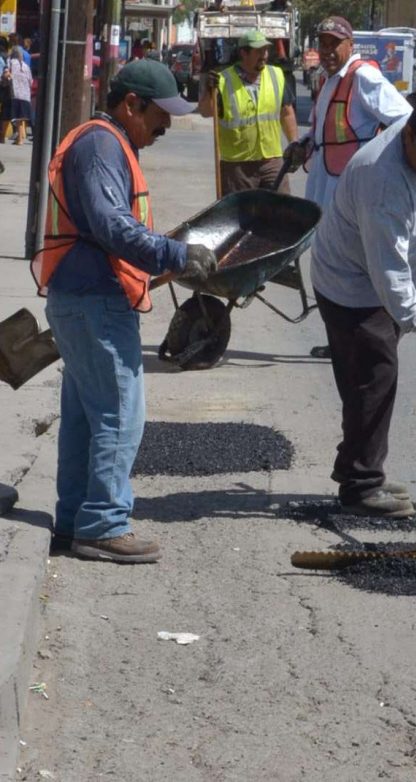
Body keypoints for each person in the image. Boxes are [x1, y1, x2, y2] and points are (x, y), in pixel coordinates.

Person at [31, 59, 218, 563]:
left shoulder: (107, 142)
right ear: (132, 104)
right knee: (119, 415)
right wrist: (174, 254)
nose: (167, 124)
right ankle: (103, 524)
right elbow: (111, 223)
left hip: (83, 297)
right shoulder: (100, 146)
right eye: (161, 113)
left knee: (85, 418)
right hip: (94, 300)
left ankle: (76, 519)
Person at [311, 97, 416, 518]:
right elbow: (390, 275)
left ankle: (359, 466)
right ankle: (360, 485)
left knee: (370, 378)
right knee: (373, 377)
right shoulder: (381, 180)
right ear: (408, 137)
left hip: (383, 281)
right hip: (353, 285)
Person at [285, 16, 412, 213]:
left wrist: (383, 160)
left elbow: (405, 119)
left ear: (350, 45)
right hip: (323, 184)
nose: (327, 51)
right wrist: (303, 144)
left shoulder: (362, 76)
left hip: (351, 189)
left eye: (334, 44)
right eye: (323, 44)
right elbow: (320, 131)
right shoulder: (328, 79)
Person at [198, 30, 298, 195]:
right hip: (237, 166)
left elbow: (286, 112)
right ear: (243, 53)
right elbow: (206, 111)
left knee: (280, 208)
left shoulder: (276, 75)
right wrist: (209, 91)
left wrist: (293, 142)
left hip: (272, 160)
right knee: (242, 211)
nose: (264, 55)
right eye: (258, 51)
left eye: (265, 50)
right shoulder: (223, 80)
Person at [4, 47, 32, 145]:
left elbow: (6, 74)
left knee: (14, 117)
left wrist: (8, 79)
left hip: (15, 93)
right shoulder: (26, 66)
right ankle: (20, 138)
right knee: (20, 118)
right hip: (26, 95)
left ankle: (19, 139)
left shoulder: (10, 62)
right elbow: (31, 81)